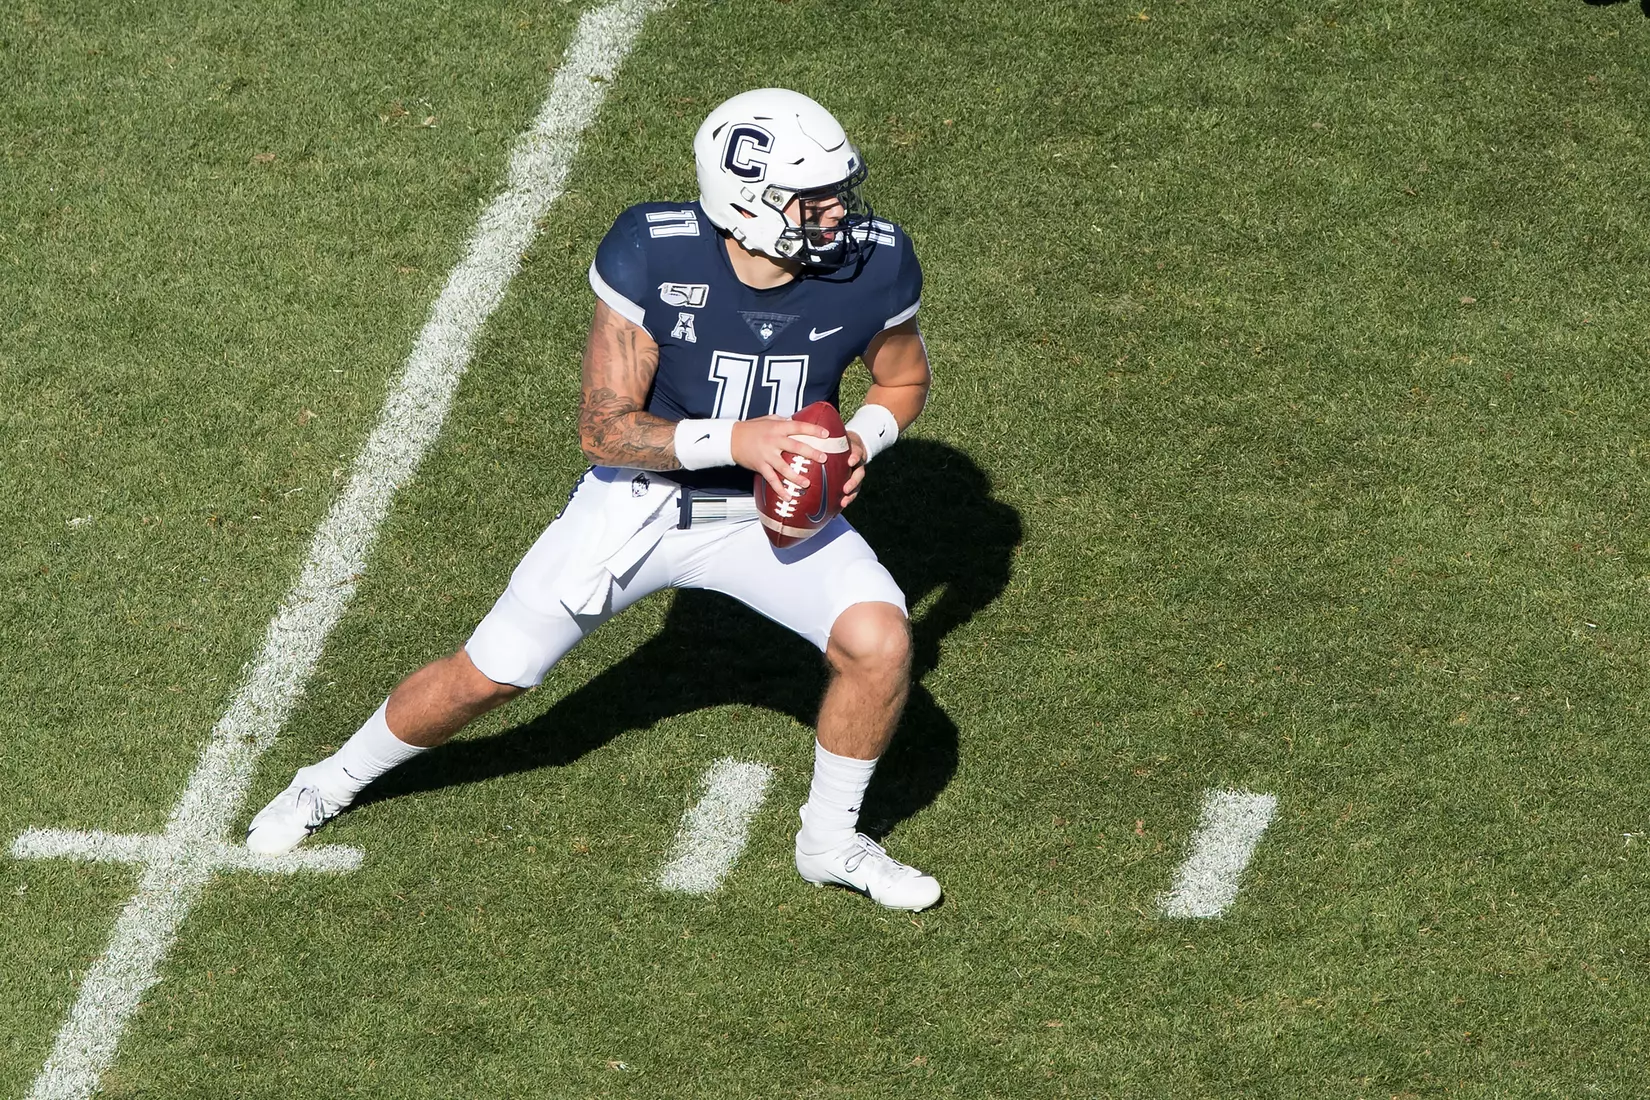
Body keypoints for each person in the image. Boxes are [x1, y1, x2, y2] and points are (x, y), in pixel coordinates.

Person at [246, 88, 939, 911]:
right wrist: (743, 440)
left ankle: (828, 843)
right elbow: (606, 431)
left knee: (882, 641)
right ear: (745, 204)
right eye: (812, 199)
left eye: (837, 192)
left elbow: (902, 379)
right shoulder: (656, 251)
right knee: (492, 675)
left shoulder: (876, 262)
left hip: (771, 515)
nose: (836, 215)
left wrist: (861, 440)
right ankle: (328, 782)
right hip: (640, 501)